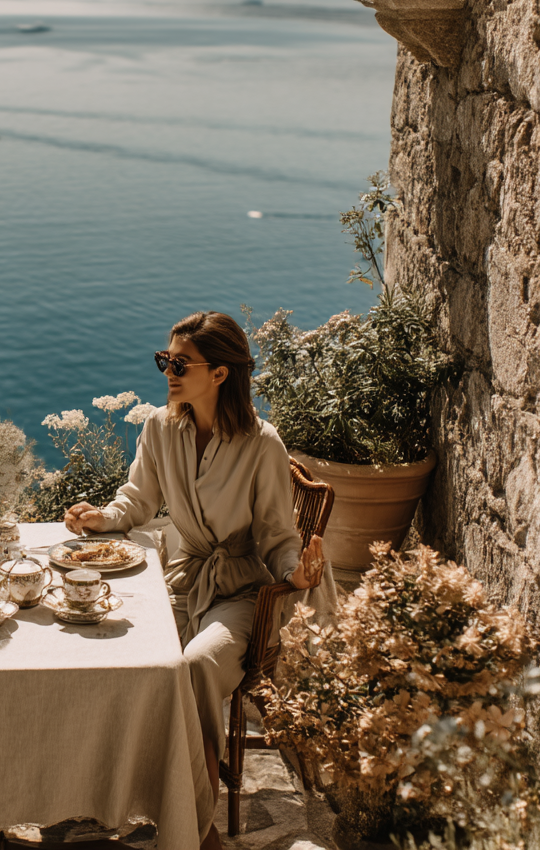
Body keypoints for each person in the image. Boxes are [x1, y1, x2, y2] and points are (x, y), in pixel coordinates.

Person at [64, 310, 335, 849]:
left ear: (220, 373)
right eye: (165, 359)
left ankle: (194, 826)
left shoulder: (263, 445)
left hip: (242, 591)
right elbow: (136, 500)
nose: (168, 370)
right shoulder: (159, 428)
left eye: (180, 363)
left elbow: (279, 538)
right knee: (100, 642)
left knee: (195, 667)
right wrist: (101, 517)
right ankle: (96, 791)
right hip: (183, 576)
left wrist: (296, 573)